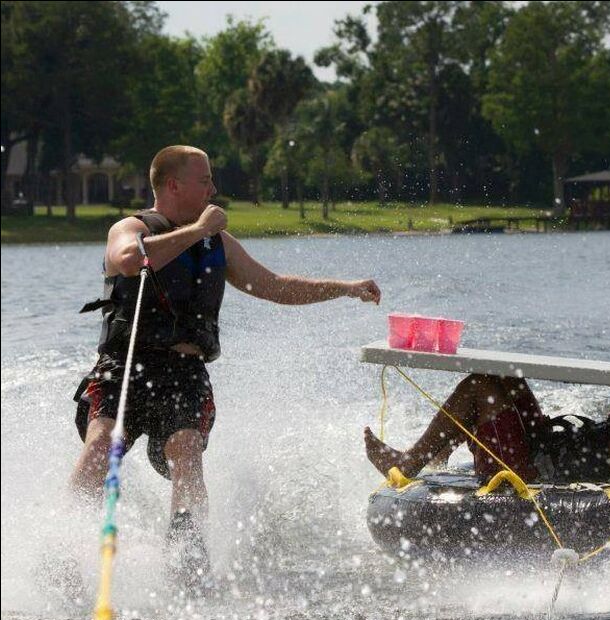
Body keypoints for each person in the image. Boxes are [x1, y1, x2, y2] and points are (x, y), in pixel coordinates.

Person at [71, 145, 381, 585]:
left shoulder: (217, 242)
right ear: (173, 185)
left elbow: (274, 286)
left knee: (185, 447)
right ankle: (63, 550)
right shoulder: (131, 228)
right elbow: (129, 260)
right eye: (204, 180)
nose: (213, 189)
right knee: (103, 442)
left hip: (183, 373)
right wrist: (198, 230)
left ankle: (187, 559)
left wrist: (345, 288)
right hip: (125, 367)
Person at [363, 369, 610, 485]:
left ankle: (411, 462)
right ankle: (440, 450)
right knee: (506, 376)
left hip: (531, 470)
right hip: (547, 443)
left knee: (480, 385)